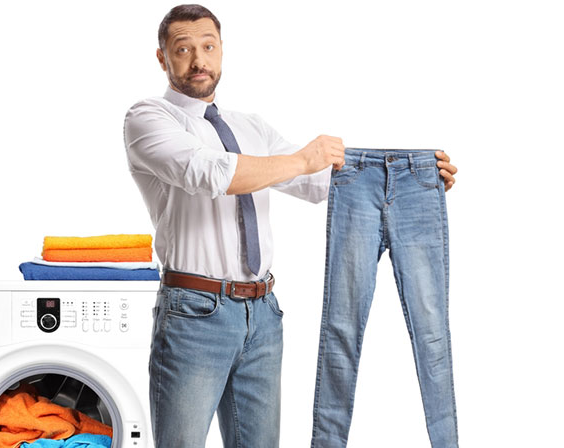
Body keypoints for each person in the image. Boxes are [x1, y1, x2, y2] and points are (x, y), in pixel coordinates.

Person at [123, 4, 457, 447]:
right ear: (163, 58)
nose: (199, 60)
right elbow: (210, 174)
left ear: (222, 51)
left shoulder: (250, 126)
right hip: (194, 314)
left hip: (263, 314)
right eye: (183, 49)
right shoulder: (148, 118)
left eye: (208, 46)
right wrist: (302, 159)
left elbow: (317, 184)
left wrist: (409, 183)